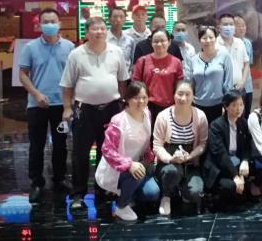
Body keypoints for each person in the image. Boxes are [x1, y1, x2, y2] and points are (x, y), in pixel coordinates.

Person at [61, 16, 129, 210]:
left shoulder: (116, 52)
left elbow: (122, 80)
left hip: (111, 109)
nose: (99, 32)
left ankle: (102, 190)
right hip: (85, 110)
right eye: (95, 29)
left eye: (102, 28)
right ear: (87, 33)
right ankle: (78, 194)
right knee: (80, 153)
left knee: (106, 152)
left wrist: (123, 103)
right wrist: (67, 107)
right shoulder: (76, 54)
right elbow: (67, 84)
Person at [19, 8, 75, 203]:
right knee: (37, 145)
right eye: (45, 21)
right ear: (39, 25)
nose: (49, 24)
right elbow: (23, 74)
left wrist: (71, 102)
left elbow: (74, 75)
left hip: (62, 105)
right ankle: (36, 182)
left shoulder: (69, 47)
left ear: (60, 24)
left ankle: (59, 179)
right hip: (37, 105)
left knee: (61, 144)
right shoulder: (30, 48)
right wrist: (36, 94)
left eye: (53, 21)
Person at [95, 81, 160, 221]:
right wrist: (129, 164)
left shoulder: (147, 114)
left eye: (144, 97)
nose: (141, 101)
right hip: (115, 169)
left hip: (138, 164)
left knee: (152, 193)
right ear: (127, 99)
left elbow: (145, 143)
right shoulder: (118, 121)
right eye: (136, 98)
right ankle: (121, 205)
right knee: (138, 173)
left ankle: (128, 193)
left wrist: (149, 157)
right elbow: (107, 150)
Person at [152, 80, 208, 216]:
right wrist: (171, 159)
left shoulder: (200, 116)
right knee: (172, 172)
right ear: (173, 95)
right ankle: (166, 196)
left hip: (190, 162)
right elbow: (157, 146)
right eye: (180, 94)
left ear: (193, 96)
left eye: (188, 94)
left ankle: (182, 190)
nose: (183, 98)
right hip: (169, 162)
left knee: (195, 193)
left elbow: (203, 144)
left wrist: (191, 156)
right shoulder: (163, 116)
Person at [203, 90, 252, 203]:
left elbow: (247, 146)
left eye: (241, 105)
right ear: (226, 107)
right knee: (230, 186)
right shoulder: (216, 125)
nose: (239, 109)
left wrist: (245, 160)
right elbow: (220, 154)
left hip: (236, 162)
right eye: (234, 105)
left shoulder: (243, 123)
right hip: (220, 167)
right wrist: (235, 175)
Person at [132, 28, 183, 128]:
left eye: (163, 41)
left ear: (169, 42)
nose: (159, 44)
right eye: (156, 41)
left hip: (169, 108)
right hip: (147, 108)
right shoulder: (142, 61)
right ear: (151, 43)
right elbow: (135, 86)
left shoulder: (176, 62)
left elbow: (179, 86)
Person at [184, 26, 234, 123]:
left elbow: (228, 83)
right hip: (198, 105)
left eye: (211, 37)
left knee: (216, 131)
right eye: (204, 38)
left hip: (219, 105)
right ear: (199, 40)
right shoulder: (193, 60)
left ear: (215, 38)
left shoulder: (224, 56)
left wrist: (226, 104)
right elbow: (190, 84)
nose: (208, 40)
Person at [216, 13, 250, 104]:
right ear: (219, 27)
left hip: (239, 89)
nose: (228, 27)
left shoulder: (240, 42)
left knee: (240, 112)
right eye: (225, 24)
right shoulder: (215, 45)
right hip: (221, 91)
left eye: (231, 24)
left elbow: (246, 63)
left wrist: (242, 81)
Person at [234, 15, 254, 118]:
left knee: (247, 114)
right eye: (238, 26)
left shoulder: (248, 43)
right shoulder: (230, 44)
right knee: (237, 115)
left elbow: (249, 63)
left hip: (248, 85)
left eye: (243, 26)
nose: (241, 28)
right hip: (235, 86)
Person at [106, 7, 135, 72]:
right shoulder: (103, 40)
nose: (118, 20)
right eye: (115, 17)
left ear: (125, 20)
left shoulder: (130, 40)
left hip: (126, 76)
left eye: (121, 17)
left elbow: (132, 61)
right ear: (109, 19)